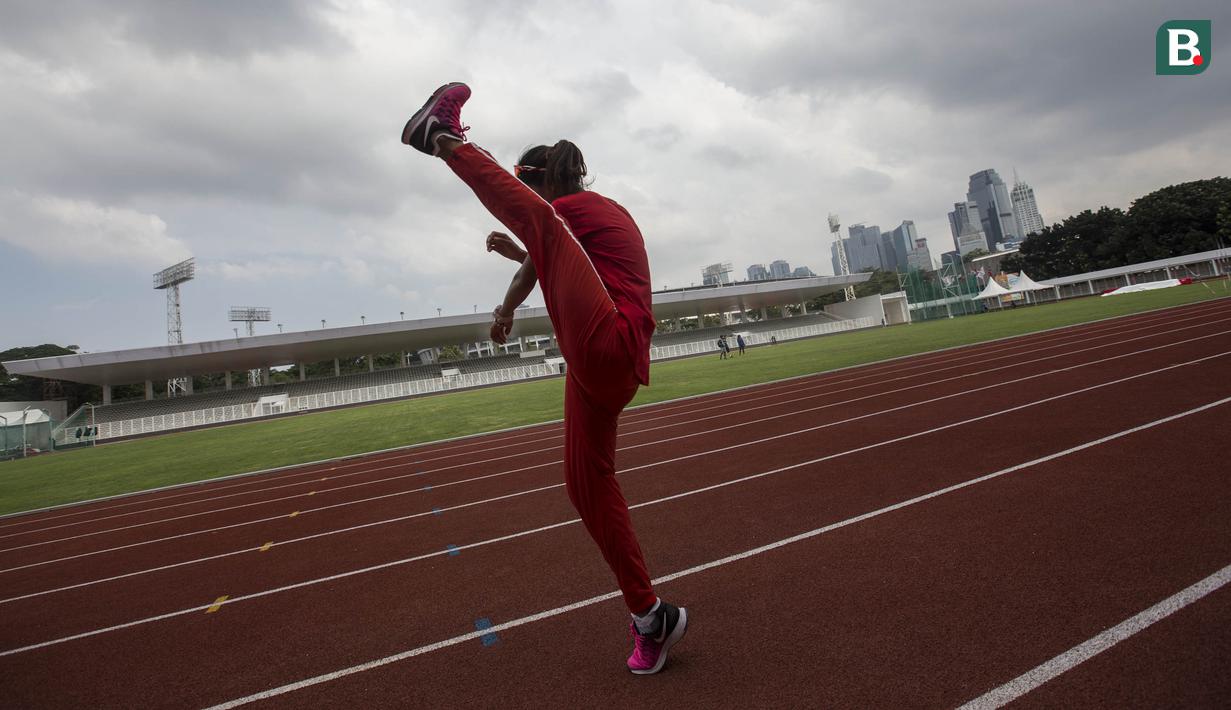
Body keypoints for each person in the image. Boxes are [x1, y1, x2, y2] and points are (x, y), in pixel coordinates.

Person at [401, 82, 687, 675]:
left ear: (540, 183)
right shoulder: (566, 223)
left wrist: (515, 283)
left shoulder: (575, 213)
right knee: (584, 484)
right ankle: (650, 617)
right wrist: (508, 301)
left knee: (544, 229)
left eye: (526, 189)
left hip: (611, 344)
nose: (526, 200)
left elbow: (546, 242)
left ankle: (442, 137)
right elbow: (542, 260)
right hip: (599, 370)